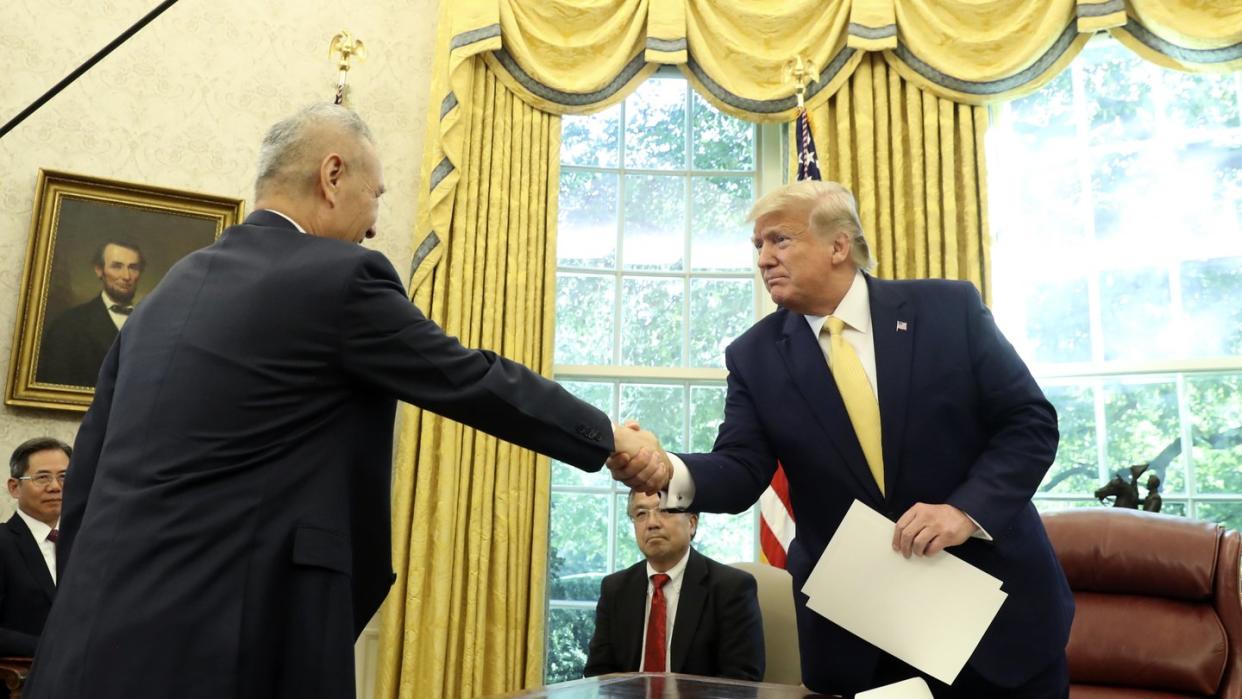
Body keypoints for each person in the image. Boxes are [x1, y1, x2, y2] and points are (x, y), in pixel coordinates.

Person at [24, 104, 663, 699]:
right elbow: (469, 379)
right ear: (333, 175)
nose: (376, 220)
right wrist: (608, 437)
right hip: (231, 645)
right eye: (376, 194)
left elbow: (87, 477)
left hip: (87, 644)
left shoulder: (165, 295)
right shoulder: (337, 276)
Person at [610, 180, 1074, 697]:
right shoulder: (754, 355)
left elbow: (1028, 423)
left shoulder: (948, 309)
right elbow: (741, 469)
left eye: (779, 240)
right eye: (757, 247)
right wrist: (667, 469)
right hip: (864, 639)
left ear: (839, 245)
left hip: (995, 624)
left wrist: (963, 512)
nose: (764, 259)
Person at [584, 490, 764, 681]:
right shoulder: (615, 588)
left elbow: (740, 682)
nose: (652, 523)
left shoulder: (732, 589)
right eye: (641, 514)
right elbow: (598, 674)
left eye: (665, 511)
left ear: (692, 523)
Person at [38, 240, 146, 387]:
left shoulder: (153, 324)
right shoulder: (68, 325)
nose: (126, 276)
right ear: (99, 270)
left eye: (133, 268)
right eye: (117, 266)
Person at [0, 438, 70, 659]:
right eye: (42, 478)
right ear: (14, 487)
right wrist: (54, 650)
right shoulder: (3, 542)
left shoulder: (87, 543)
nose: (55, 487)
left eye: (64, 477)